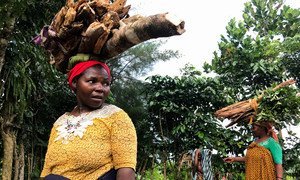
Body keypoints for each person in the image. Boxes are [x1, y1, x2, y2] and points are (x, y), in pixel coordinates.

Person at [40, 60, 137, 180]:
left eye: (106, 83)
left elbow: (126, 167)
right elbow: (46, 170)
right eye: (92, 81)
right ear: (75, 82)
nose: (100, 88)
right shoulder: (60, 123)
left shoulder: (116, 116)